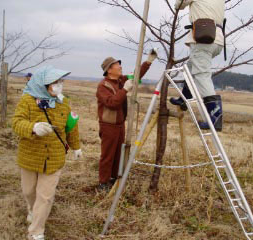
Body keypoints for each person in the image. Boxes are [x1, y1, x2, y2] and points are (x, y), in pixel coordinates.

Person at [12, 65, 82, 240]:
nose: (59, 85)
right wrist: (33, 127)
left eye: (60, 82)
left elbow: (71, 127)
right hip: (30, 155)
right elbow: (16, 123)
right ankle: (31, 209)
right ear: (43, 85)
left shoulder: (63, 102)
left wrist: (76, 147)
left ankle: (36, 232)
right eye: (54, 82)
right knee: (29, 191)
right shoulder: (28, 100)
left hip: (54, 157)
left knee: (45, 196)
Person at [96, 50, 157, 190]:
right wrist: (124, 90)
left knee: (118, 153)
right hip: (108, 126)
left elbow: (136, 76)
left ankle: (113, 178)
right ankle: (103, 182)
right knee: (107, 154)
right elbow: (112, 103)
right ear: (109, 70)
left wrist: (148, 62)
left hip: (119, 124)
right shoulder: (103, 87)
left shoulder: (120, 80)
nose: (120, 67)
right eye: (118, 65)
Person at [170, 0, 225, 131]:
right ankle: (184, 98)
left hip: (203, 37)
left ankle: (215, 117)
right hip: (217, 40)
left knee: (202, 75)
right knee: (190, 68)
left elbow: (179, 4)